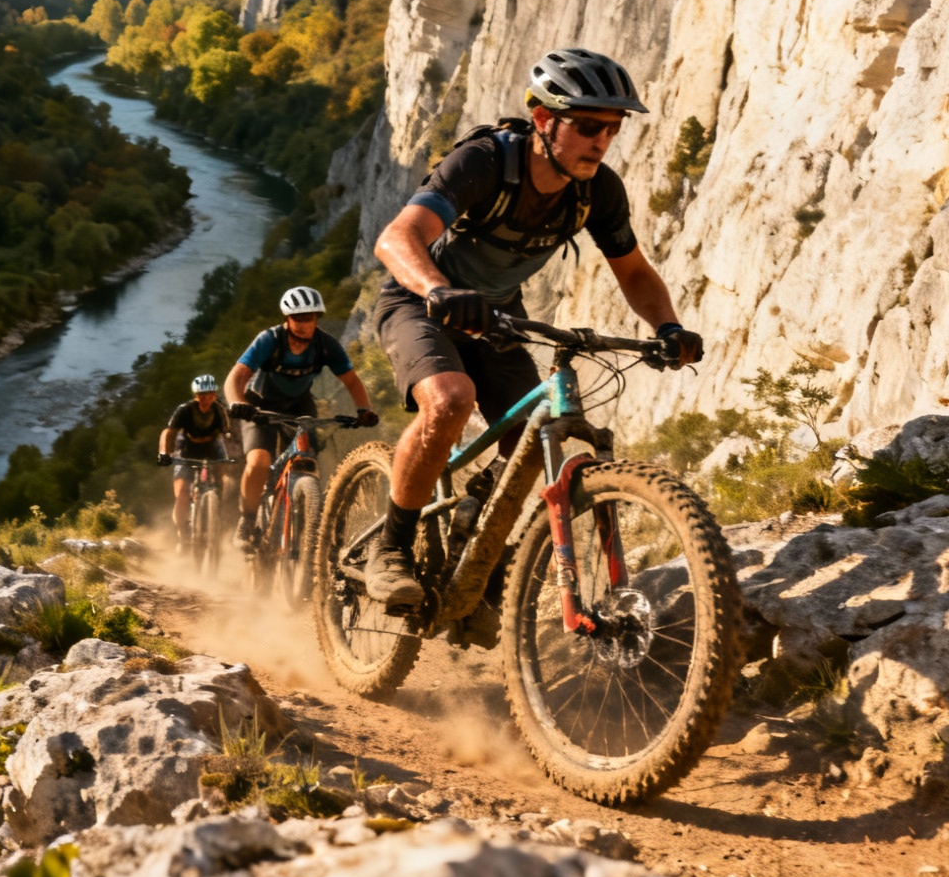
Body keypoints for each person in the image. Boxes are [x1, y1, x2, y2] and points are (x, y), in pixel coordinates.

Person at [365, 48, 705, 612]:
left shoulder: (597, 190)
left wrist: (668, 325)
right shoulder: (483, 163)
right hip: (418, 301)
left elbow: (635, 272)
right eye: (590, 126)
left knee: (528, 432)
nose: (602, 141)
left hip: (497, 319)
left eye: (612, 130)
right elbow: (397, 238)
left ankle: (480, 542)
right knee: (450, 401)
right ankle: (392, 546)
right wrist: (438, 290)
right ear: (544, 119)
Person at [225, 286, 379, 551]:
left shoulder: (326, 345)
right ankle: (247, 521)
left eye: (310, 318)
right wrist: (237, 403)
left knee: (311, 459)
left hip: (299, 405)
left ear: (317, 318)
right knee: (259, 462)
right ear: (288, 318)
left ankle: (309, 510)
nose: (305, 324)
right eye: (299, 318)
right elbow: (237, 376)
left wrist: (363, 410)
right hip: (259, 405)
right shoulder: (269, 340)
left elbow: (351, 380)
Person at [156, 374, 232, 552]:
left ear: (214, 395)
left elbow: (227, 434)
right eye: (201, 395)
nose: (205, 399)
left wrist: (230, 456)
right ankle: (183, 535)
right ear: (196, 396)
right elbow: (169, 432)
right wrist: (165, 453)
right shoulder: (185, 410)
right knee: (182, 491)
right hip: (187, 447)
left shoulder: (219, 410)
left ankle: (215, 513)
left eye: (209, 395)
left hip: (212, 446)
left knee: (220, 478)